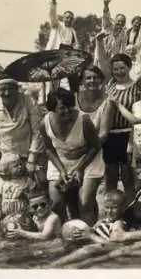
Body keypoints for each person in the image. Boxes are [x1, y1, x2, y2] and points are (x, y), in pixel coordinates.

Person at [0, 74, 43, 220]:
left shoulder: (28, 101)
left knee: (34, 200)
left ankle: (33, 232)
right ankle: (8, 232)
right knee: (4, 200)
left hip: (29, 156)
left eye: (10, 89)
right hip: (4, 161)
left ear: (17, 89)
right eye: (3, 90)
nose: (7, 93)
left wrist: (32, 160)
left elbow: (37, 132)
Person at [40, 88, 104, 224]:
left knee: (85, 202)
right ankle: (65, 231)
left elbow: (96, 146)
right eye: (62, 108)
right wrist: (62, 171)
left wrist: (80, 168)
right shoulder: (44, 123)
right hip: (60, 160)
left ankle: (88, 233)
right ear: (52, 109)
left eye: (70, 106)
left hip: (87, 160)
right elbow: (49, 149)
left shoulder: (84, 120)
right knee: (56, 203)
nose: (67, 111)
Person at [93, 44, 136, 200]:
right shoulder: (110, 85)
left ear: (129, 67)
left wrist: (132, 141)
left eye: (122, 68)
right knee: (110, 177)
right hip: (109, 136)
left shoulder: (137, 86)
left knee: (127, 177)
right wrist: (100, 43)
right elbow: (103, 63)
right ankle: (111, 209)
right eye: (116, 69)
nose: (119, 72)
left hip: (129, 135)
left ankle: (131, 209)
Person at [76, 65, 115, 223]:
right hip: (72, 153)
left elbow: (104, 134)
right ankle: (84, 227)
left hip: (95, 153)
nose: (91, 81)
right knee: (76, 200)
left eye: (95, 77)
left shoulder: (108, 102)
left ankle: (88, 231)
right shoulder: (74, 98)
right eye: (88, 77)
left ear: (101, 80)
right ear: (83, 81)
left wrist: (86, 150)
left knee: (86, 199)